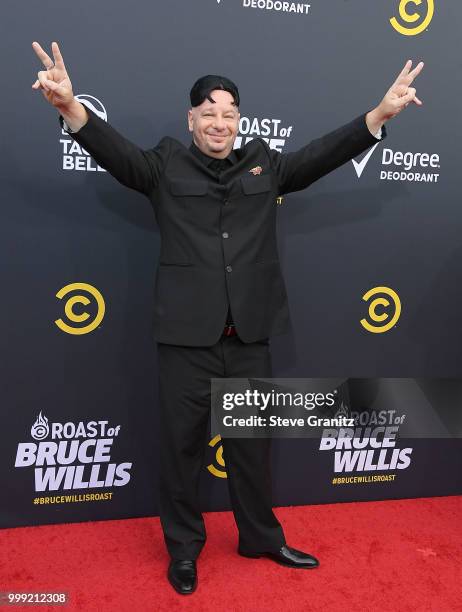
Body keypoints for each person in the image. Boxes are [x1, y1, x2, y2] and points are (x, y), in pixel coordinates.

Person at [31, 41, 424, 595]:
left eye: (229, 114)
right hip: (185, 340)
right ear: (191, 119)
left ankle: (260, 537)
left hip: (248, 336)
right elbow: (116, 153)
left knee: (251, 450)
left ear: (240, 120)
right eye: (209, 113)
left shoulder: (264, 161)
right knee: (182, 449)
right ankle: (185, 551)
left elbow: (321, 154)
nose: (220, 123)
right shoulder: (163, 164)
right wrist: (71, 107)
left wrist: (379, 115)